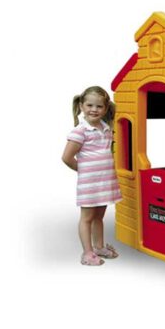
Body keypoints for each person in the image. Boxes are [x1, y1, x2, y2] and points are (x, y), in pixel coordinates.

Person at [62, 86, 122, 265]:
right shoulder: (80, 131)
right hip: (90, 184)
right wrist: (85, 171)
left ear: (105, 108)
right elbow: (66, 157)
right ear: (81, 106)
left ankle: (99, 247)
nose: (94, 110)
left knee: (98, 218)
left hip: (105, 182)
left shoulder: (106, 128)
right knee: (87, 219)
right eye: (89, 105)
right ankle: (87, 253)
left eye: (99, 106)